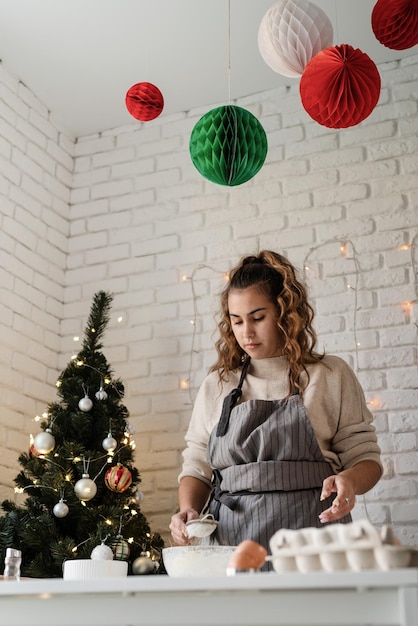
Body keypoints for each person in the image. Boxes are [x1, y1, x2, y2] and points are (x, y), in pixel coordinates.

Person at [169, 250, 382, 557]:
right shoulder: (218, 384)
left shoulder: (330, 375)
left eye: (257, 318)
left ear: (285, 312)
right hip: (232, 543)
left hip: (315, 539)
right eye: (237, 321)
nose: (247, 333)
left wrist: (349, 480)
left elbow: (366, 459)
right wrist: (188, 510)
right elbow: (198, 466)